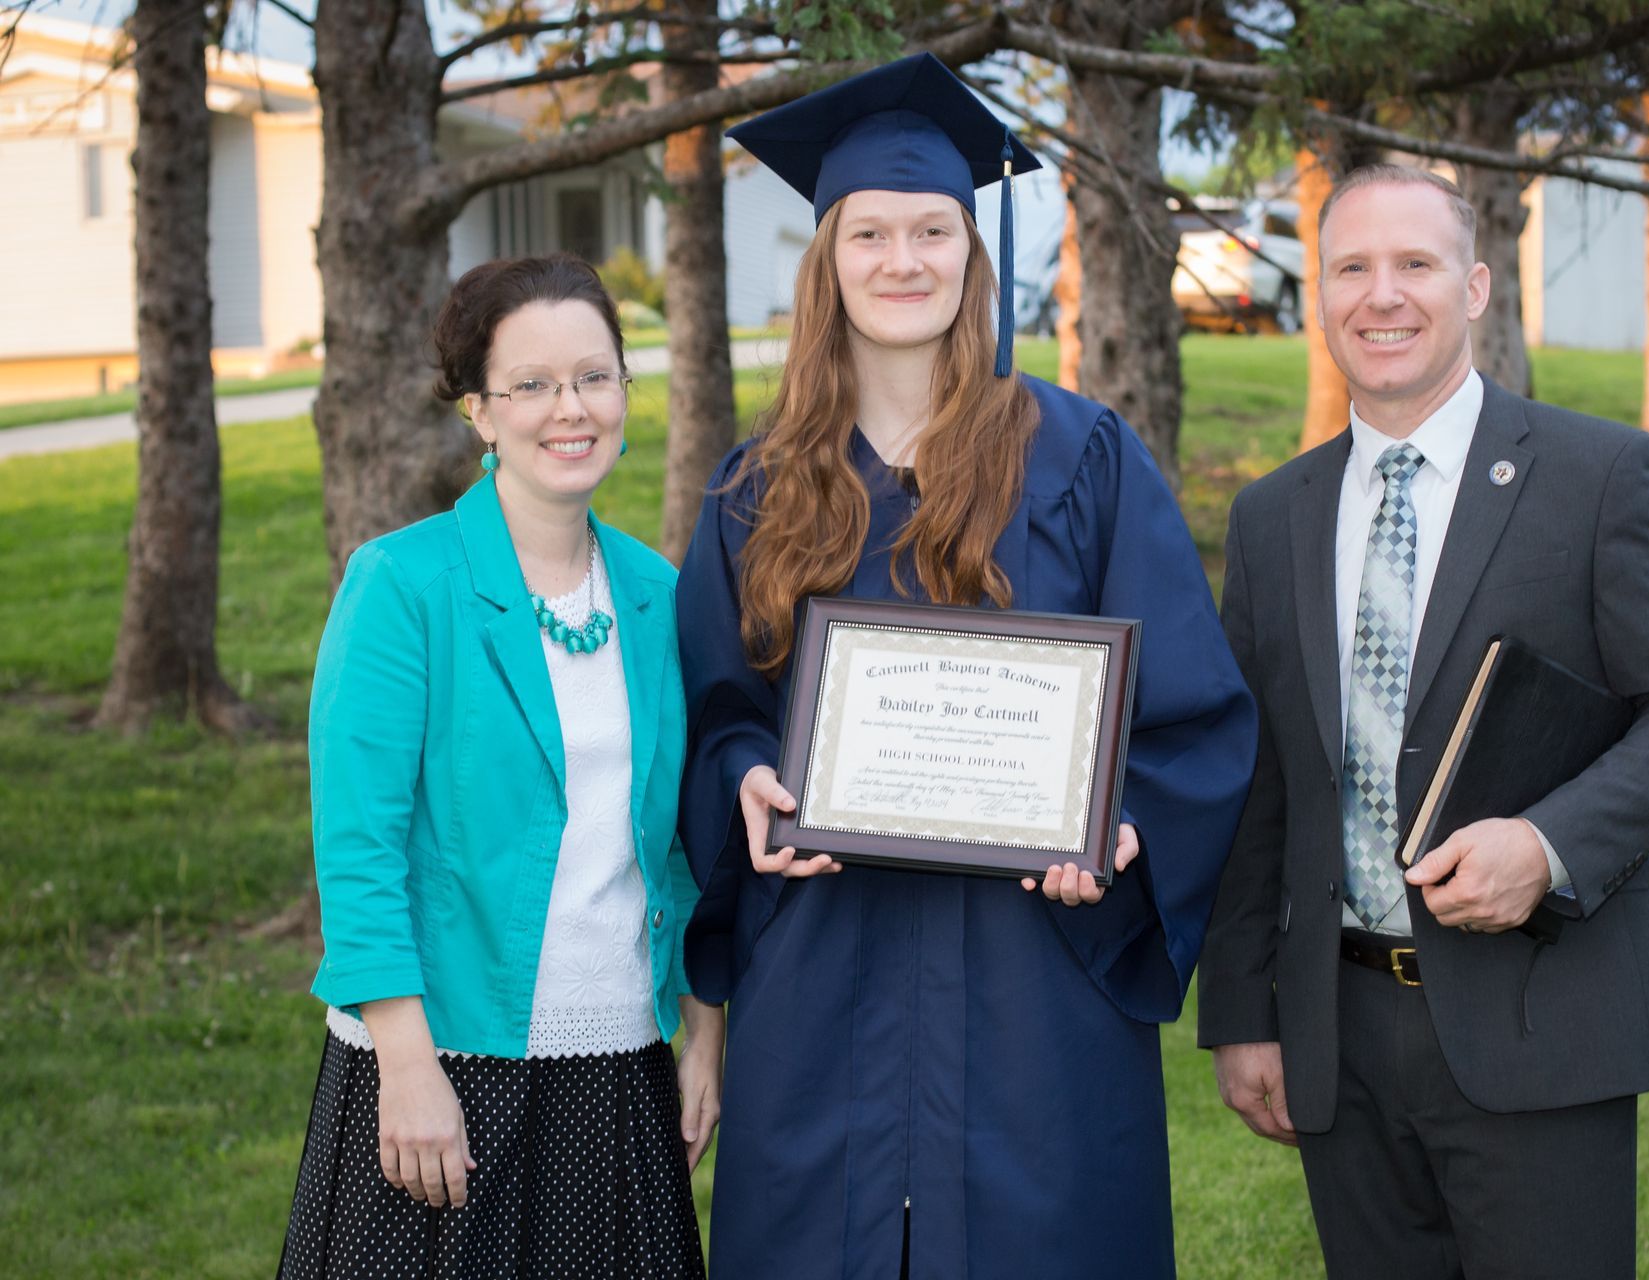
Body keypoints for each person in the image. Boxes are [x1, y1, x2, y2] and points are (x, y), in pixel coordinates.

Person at [675, 54, 1257, 1280]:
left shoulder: (1083, 459)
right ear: (828, 260)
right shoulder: (757, 486)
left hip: (1032, 986)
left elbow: (1191, 716)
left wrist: (1122, 823)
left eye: (932, 230)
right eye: (871, 233)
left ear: (971, 251)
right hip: (824, 975)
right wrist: (744, 780)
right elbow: (721, 708)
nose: (904, 260)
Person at [1197, 164, 1649, 1279]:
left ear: (1477, 286)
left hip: (1538, 1018)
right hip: (1339, 1031)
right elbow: (1260, 783)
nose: (1382, 295)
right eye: (1351, 268)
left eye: (1415, 263)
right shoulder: (1272, 517)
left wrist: (1548, 846)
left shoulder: (1598, 475)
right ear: (1320, 293)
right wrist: (1245, 1011)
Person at [278, 254, 722, 1279]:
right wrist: (405, 1064)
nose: (571, 409)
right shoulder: (402, 583)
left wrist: (705, 1034)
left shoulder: (658, 594)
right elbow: (359, 849)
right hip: (445, 1063)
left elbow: (678, 845)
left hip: (618, 1062)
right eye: (532, 384)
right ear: (478, 409)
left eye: (595, 376)